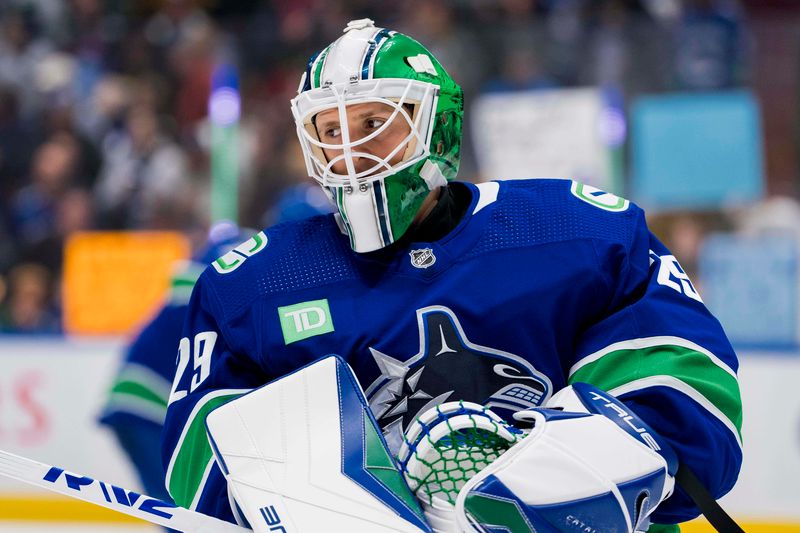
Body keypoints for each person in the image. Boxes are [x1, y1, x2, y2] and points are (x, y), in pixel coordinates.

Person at [162, 19, 742, 532]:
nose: (352, 153)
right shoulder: (251, 286)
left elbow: (690, 404)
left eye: (373, 121)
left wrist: (542, 488)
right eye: (330, 131)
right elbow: (206, 462)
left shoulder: (579, 233)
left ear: (434, 126)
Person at [99, 221, 251, 516]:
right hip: (148, 401)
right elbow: (189, 285)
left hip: (139, 398)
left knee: (180, 512)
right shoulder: (248, 253)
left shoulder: (241, 252)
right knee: (183, 512)